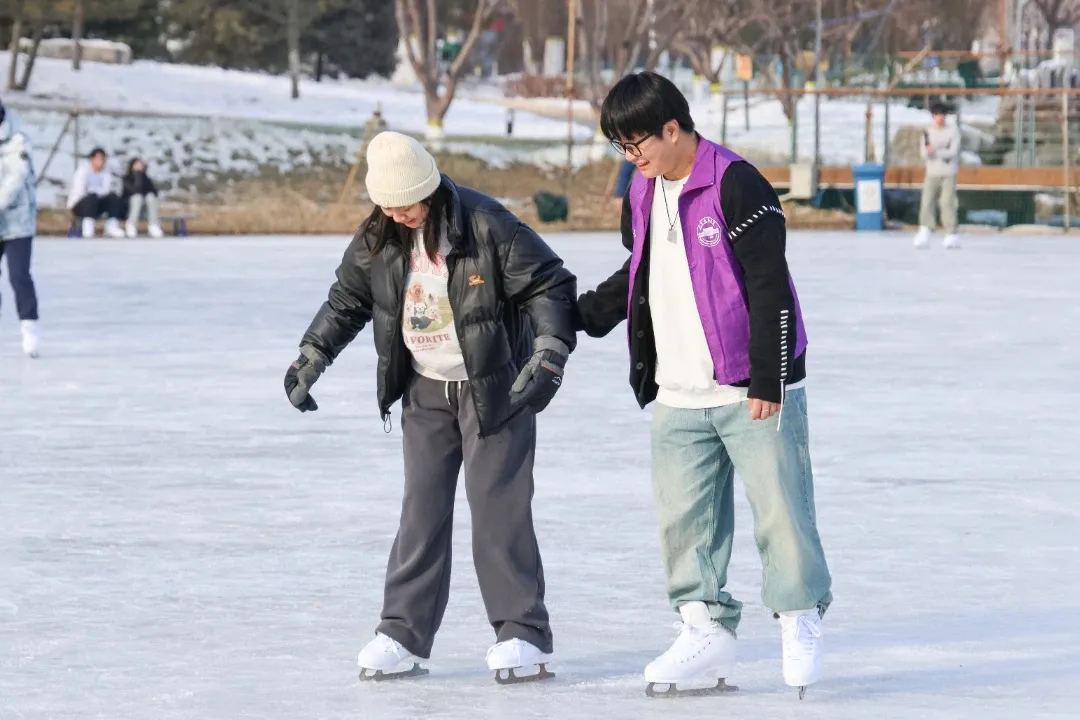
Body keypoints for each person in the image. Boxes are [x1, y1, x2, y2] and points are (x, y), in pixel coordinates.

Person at [284, 131, 576, 683]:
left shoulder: (486, 224)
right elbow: (347, 299)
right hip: (424, 389)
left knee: (499, 511)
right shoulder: (379, 234)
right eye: (388, 205)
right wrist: (312, 355)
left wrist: (550, 349)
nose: (398, 214)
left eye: (407, 203)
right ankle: (402, 634)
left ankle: (523, 633)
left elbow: (548, 284)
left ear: (430, 187)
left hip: (494, 389)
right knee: (420, 513)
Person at [574, 72, 832, 697]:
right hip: (678, 388)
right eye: (620, 147)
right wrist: (586, 313)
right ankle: (704, 630)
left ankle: (799, 616)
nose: (631, 157)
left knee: (781, 511)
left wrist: (769, 376)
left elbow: (770, 284)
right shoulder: (642, 188)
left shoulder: (736, 183)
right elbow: (643, 268)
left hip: (751, 385)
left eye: (636, 143)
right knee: (684, 523)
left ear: (673, 128)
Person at [0, 100, 40, 357]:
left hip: (17, 220)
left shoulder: (17, 139)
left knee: (19, 275)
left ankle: (29, 326)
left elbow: (16, 178)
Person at [914, 102, 961, 249]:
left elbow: (953, 152)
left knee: (947, 202)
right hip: (932, 172)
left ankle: (951, 233)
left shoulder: (953, 131)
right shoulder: (927, 132)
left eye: (942, 115)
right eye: (936, 115)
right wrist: (932, 152)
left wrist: (936, 152)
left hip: (948, 172)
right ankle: (925, 230)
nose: (939, 118)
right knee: (927, 201)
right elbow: (924, 153)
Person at [68, 147, 126, 238]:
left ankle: (111, 226)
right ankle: (88, 227)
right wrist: (94, 193)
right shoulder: (83, 170)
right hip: (80, 203)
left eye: (103, 159)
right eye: (99, 158)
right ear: (92, 159)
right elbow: (81, 190)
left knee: (113, 197)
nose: (102, 161)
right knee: (91, 198)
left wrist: (95, 192)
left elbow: (106, 189)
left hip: (98, 201)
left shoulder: (106, 171)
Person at [122, 157, 163, 238]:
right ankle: (131, 224)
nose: (139, 167)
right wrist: (138, 176)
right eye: (137, 164)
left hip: (145, 208)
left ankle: (153, 225)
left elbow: (154, 192)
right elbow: (134, 190)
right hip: (130, 207)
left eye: (141, 165)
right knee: (137, 197)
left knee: (150, 197)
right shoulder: (127, 178)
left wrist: (141, 177)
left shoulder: (146, 179)